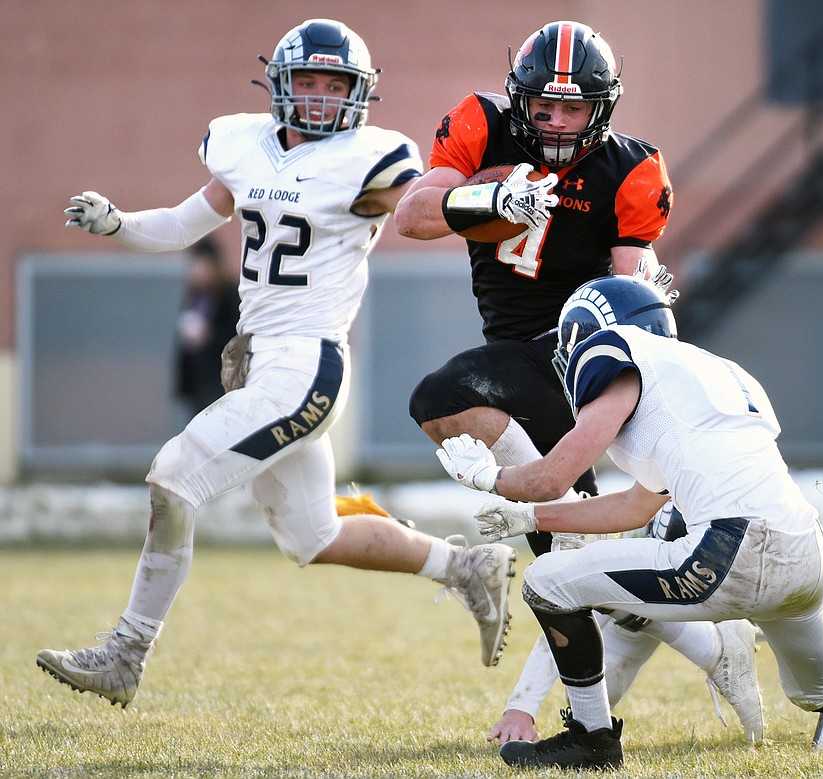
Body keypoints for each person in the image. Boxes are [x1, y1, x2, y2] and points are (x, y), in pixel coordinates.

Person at [36, 18, 517, 710]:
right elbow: (181, 225)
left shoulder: (370, 158)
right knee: (314, 535)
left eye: (336, 84)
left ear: (360, 94)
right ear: (279, 84)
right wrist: (120, 223)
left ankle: (126, 651)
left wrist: (488, 202)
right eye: (309, 82)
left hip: (307, 367)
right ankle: (466, 566)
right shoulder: (243, 145)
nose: (321, 97)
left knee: (175, 477)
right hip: (260, 363)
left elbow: (421, 205)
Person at [437, 275, 823, 771]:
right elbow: (635, 507)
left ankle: (594, 739)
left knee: (547, 584)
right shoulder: (710, 373)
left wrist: (488, 478)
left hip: (727, 551)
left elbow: (552, 471)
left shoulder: (611, 351)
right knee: (822, 690)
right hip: (801, 554)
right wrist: (531, 515)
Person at [390, 19, 764, 743]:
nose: (554, 121)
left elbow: (632, 289)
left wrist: (648, 315)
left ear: (603, 108)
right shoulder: (480, 123)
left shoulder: (630, 167)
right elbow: (410, 214)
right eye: (542, 106)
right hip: (512, 348)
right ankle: (714, 649)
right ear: (518, 98)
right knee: (579, 566)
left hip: (575, 351)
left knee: (437, 399)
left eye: (572, 108)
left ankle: (565, 709)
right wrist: (489, 201)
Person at [486, 411, 823, 749]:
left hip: (741, 557)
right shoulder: (678, 437)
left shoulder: (660, 458)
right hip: (728, 550)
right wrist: (528, 708)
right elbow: (568, 612)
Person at [174, 235, 240, 422]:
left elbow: (237, 337)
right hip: (197, 382)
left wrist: (208, 335)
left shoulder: (229, 294)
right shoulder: (194, 295)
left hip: (219, 382)